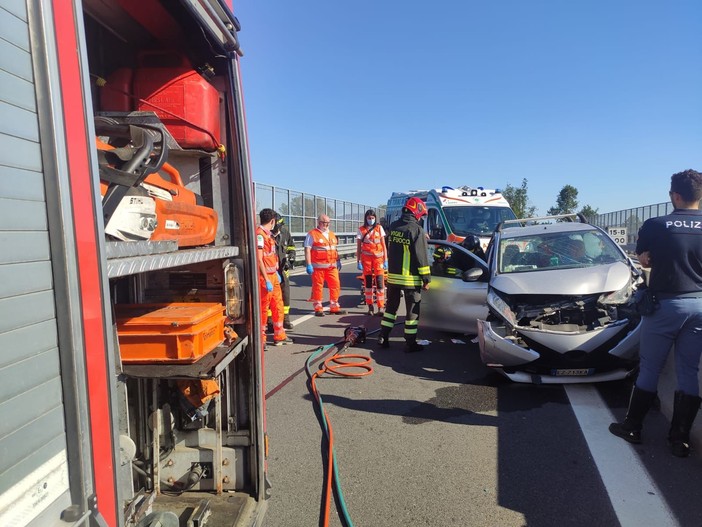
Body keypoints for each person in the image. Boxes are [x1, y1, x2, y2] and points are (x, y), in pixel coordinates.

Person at [609, 169, 702, 458]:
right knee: (689, 371)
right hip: (699, 306)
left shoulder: (657, 225)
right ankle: (679, 439)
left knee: (650, 366)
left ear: (675, 195)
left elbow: (644, 259)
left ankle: (632, 427)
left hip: (666, 305)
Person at [377, 197, 431, 352]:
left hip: (393, 277)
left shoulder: (394, 226)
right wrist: (426, 279)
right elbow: (421, 257)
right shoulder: (417, 230)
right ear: (417, 211)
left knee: (390, 309)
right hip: (410, 279)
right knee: (412, 313)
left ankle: (383, 336)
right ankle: (410, 343)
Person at [256, 209, 293, 347]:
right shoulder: (260, 236)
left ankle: (280, 335)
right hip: (265, 277)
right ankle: (261, 339)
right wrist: (266, 279)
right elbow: (259, 259)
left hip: (273, 276)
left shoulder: (268, 235)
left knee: (278, 305)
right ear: (272, 221)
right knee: (263, 308)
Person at [304, 214, 346, 316]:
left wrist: (338, 260)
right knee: (318, 287)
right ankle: (318, 308)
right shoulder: (312, 234)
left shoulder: (331, 234)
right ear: (319, 222)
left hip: (332, 267)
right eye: (324, 223)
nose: (326, 225)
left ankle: (334, 307)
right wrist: (308, 264)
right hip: (318, 267)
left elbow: (334, 249)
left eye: (328, 223)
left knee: (335, 285)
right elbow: (307, 249)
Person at [267, 214, 296, 330]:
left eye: (280, 226)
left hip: (283, 272)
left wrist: (291, 258)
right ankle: (270, 321)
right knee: (271, 298)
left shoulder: (284, 233)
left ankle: (285, 320)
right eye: (277, 226)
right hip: (270, 272)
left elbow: (291, 247)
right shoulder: (266, 235)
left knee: (285, 297)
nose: (279, 229)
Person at [356, 209, 388, 316]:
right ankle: (370, 306)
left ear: (375, 218)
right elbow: (359, 247)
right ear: (366, 218)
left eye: (373, 218)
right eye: (369, 218)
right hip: (367, 260)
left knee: (380, 283)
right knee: (368, 284)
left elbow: (383, 245)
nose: (371, 220)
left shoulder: (379, 228)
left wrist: (386, 260)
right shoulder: (361, 230)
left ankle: (380, 307)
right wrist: (358, 261)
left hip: (378, 260)